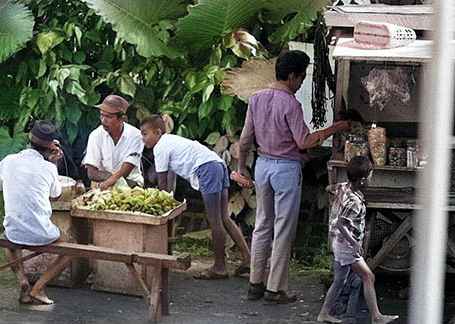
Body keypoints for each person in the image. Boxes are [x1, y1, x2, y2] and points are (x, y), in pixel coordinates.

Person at [238, 50, 354, 304]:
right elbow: (304, 141)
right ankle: (276, 288)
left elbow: (245, 140)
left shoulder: (256, 99)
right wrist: (334, 129)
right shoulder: (290, 104)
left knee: (262, 226)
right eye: (301, 78)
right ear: (291, 76)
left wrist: (241, 167)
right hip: (286, 169)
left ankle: (255, 284)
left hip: (263, 166)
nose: (301, 83)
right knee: (283, 230)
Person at [140, 114, 251, 279]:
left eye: (144, 133)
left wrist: (162, 205)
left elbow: (162, 183)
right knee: (224, 217)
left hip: (206, 168)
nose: (142, 138)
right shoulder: (171, 140)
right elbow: (170, 180)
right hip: (217, 164)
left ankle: (220, 266)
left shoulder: (160, 146)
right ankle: (248, 258)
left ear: (157, 132)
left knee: (215, 219)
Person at [0, 121, 75, 305]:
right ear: (51, 146)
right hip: (41, 232)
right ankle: (38, 288)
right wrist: (52, 163)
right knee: (71, 248)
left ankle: (22, 280)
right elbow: (56, 196)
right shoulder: (49, 168)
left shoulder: (8, 161)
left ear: (30, 140)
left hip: (14, 229)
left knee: (10, 242)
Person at [317, 156, 398, 324]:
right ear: (362, 180)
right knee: (369, 276)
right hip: (347, 246)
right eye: (370, 176)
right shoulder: (354, 201)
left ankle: (323, 314)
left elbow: (329, 188)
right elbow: (341, 223)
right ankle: (376, 317)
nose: (371, 178)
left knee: (339, 281)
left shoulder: (343, 187)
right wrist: (354, 244)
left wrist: (331, 189)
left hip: (338, 243)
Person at [82, 94, 144, 190]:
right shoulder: (96, 136)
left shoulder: (135, 136)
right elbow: (91, 173)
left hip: (131, 184)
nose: (103, 120)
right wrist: (109, 179)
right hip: (103, 185)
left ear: (121, 118)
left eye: (108, 117)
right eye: (102, 116)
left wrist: (107, 184)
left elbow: (125, 171)